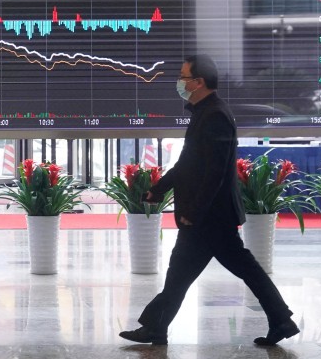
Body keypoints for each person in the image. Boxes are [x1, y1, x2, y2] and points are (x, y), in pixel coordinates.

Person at [119, 54, 299, 347]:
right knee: (189, 273)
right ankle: (281, 320)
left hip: (209, 218)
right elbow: (188, 163)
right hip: (207, 217)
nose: (180, 82)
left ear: (199, 82)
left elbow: (215, 172)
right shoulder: (204, 112)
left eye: (184, 77)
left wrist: (195, 212)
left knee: (191, 273)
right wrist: (159, 189)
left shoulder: (215, 115)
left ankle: (155, 328)